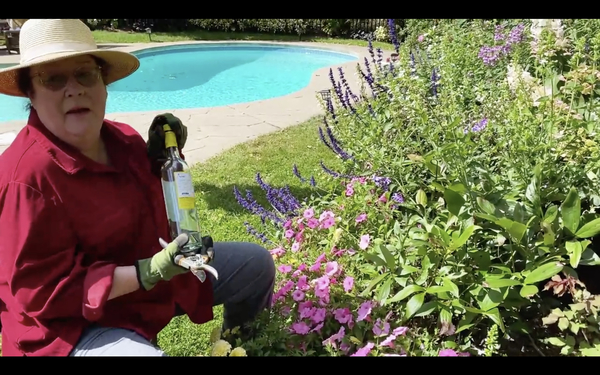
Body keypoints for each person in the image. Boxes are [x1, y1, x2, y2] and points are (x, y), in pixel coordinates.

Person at [0, 19, 275, 357]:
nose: (74, 89)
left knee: (255, 265)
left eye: (85, 74)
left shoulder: (123, 139)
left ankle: (239, 347)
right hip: (69, 327)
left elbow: (153, 205)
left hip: (142, 290)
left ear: (102, 82)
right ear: (31, 93)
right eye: (53, 79)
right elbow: (43, 294)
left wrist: (164, 158)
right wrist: (149, 271)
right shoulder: (26, 178)